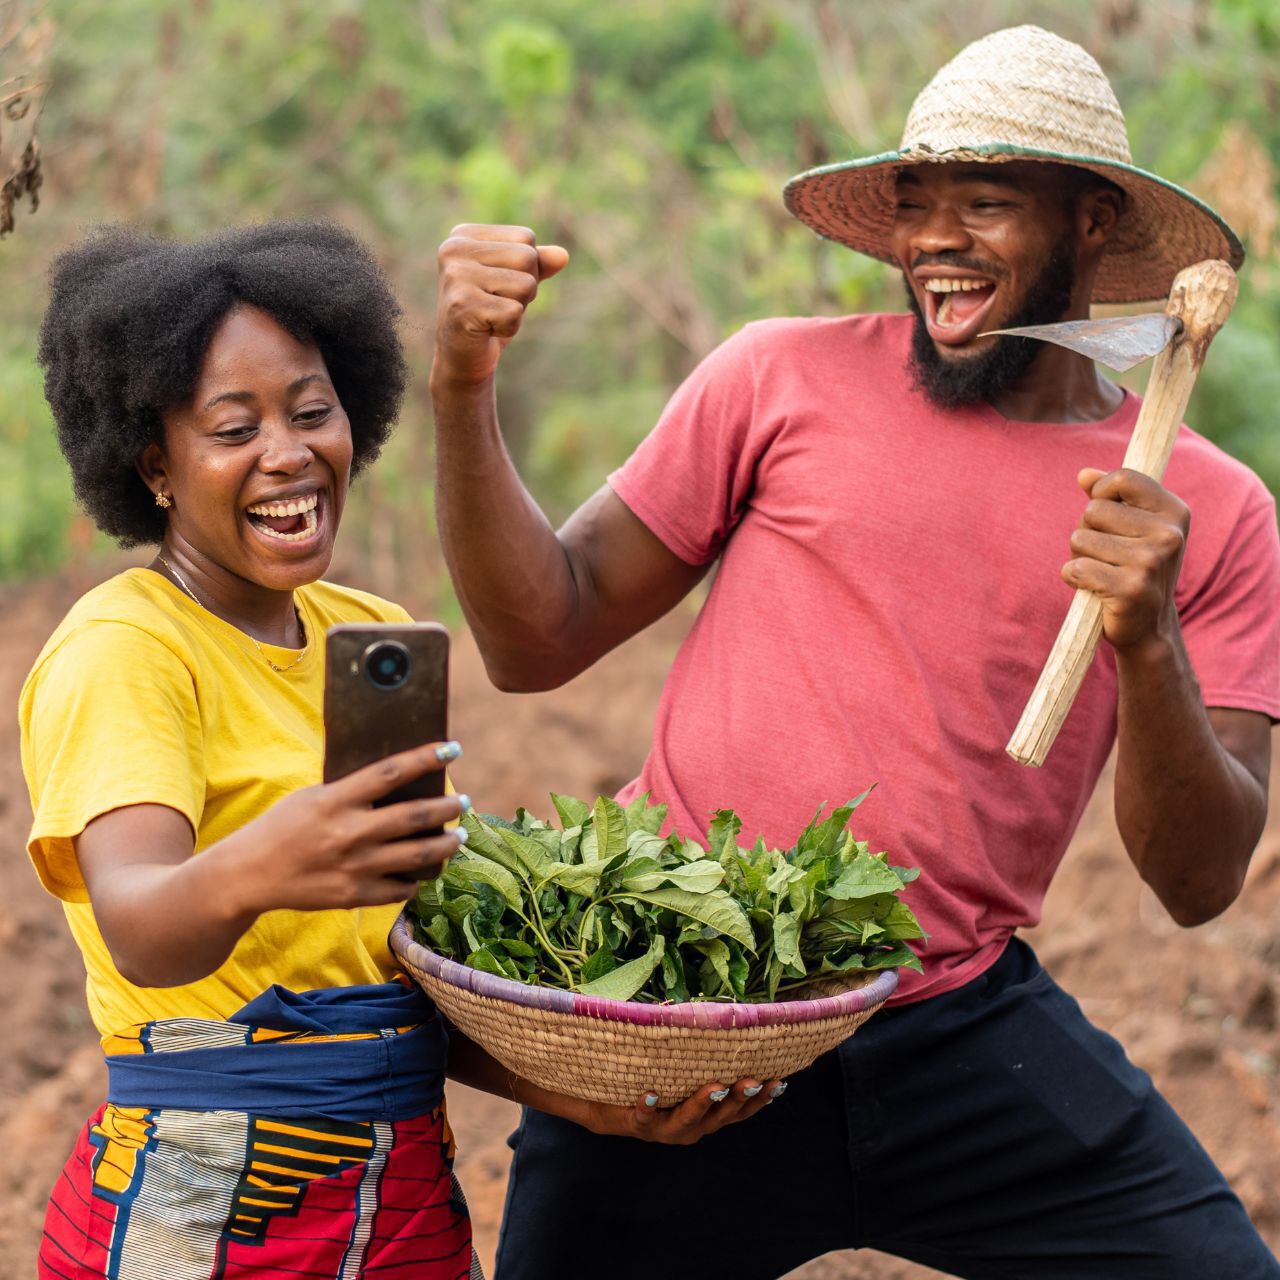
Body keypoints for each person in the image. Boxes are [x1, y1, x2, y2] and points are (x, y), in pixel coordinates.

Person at [429, 25, 1280, 1280]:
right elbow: (533, 637)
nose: (933, 238)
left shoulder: (1205, 507)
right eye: (914, 203)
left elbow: (1197, 878)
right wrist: (461, 387)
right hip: (694, 1012)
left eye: (982, 202)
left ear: (1092, 220)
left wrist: (1142, 638)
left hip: (954, 1029)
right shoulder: (774, 378)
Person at [19, 221, 779, 1280]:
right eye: (233, 428)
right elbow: (143, 924)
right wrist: (274, 857)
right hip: (208, 1206)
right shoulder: (127, 648)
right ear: (153, 464)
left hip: (399, 1197)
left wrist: (577, 1091)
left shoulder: (363, 626)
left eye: (312, 411)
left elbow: (402, 977)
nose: (288, 453)